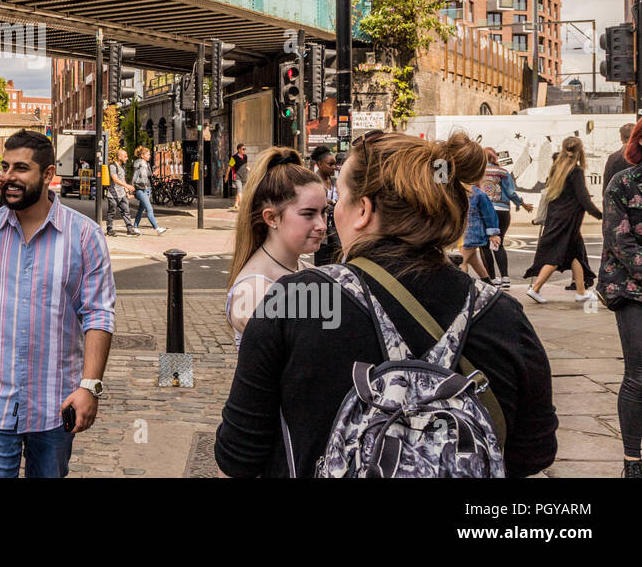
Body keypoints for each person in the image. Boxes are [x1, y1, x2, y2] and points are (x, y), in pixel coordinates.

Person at [214, 130, 558, 478]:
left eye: (338, 203)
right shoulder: (500, 314)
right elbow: (535, 452)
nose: (327, 220)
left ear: (362, 211)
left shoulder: (299, 299)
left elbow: (238, 454)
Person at [0, 130, 116, 478]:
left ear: (48, 175)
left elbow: (98, 313)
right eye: (5, 166)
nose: (8, 177)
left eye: (21, 168)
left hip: (55, 404)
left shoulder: (84, 235)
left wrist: (90, 386)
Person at [225, 148, 326, 348]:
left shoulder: (308, 272)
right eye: (308, 214)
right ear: (271, 218)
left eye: (323, 212)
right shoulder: (254, 290)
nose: (321, 225)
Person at [601, 120, 642, 477]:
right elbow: (620, 240)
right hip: (631, 291)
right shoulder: (624, 183)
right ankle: (633, 461)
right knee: (638, 375)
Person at [525, 136, 600, 304]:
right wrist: (602, 215)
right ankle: (535, 288)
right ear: (580, 151)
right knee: (556, 255)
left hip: (556, 218)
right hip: (568, 221)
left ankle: (581, 292)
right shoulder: (576, 171)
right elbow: (584, 199)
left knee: (575, 254)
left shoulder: (556, 168)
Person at [479, 147, 530, 289]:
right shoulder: (503, 172)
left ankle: (492, 279)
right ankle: (505, 278)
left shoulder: (479, 172)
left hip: (486, 211)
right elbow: (511, 192)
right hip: (502, 211)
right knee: (498, 244)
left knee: (484, 245)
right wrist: (521, 203)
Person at [460, 183, 497, 282]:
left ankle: (463, 291)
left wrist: (493, 234)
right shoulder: (458, 192)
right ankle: (489, 285)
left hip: (472, 234)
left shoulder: (479, 194)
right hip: (464, 234)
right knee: (474, 262)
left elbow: (489, 214)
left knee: (461, 262)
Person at [311, 147, 341, 266]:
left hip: (336, 227)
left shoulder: (334, 180)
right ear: (319, 164)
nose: (334, 167)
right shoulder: (313, 181)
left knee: (337, 260)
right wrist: (334, 202)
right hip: (322, 228)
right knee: (322, 262)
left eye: (335, 164)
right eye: (330, 164)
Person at [130, 146, 167, 235]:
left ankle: (135, 227)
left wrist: (153, 174)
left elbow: (148, 176)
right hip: (140, 189)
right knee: (149, 209)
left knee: (141, 209)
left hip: (147, 189)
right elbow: (136, 176)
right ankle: (157, 228)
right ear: (142, 155)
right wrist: (132, 188)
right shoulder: (139, 163)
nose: (149, 156)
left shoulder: (146, 164)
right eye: (148, 154)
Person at [104, 148, 139, 238]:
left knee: (126, 211)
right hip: (112, 194)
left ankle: (130, 230)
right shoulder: (113, 166)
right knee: (112, 212)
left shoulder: (122, 166)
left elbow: (122, 179)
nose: (127, 158)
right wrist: (127, 186)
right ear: (119, 157)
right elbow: (115, 179)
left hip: (122, 194)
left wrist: (127, 193)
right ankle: (109, 230)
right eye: (125, 156)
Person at [228, 144, 249, 211]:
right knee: (240, 191)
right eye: (243, 149)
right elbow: (229, 167)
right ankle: (243, 206)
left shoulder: (245, 156)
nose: (244, 150)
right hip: (237, 177)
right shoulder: (233, 157)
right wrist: (226, 176)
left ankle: (236, 204)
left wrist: (248, 168)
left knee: (240, 191)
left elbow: (246, 165)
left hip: (244, 176)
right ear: (239, 150)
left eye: (245, 149)